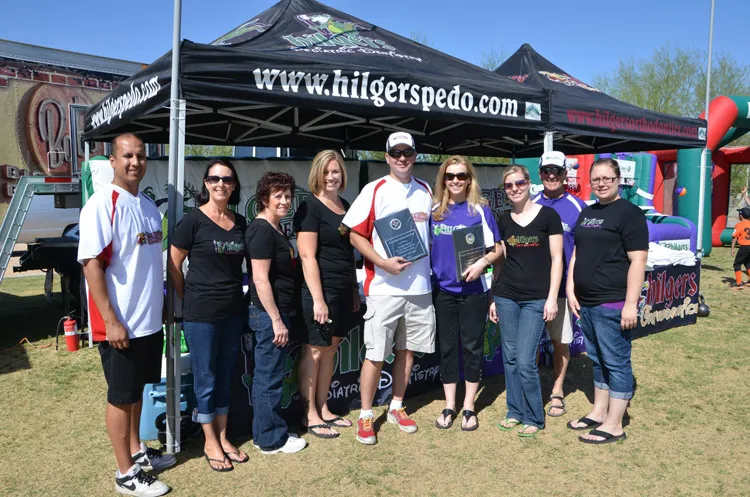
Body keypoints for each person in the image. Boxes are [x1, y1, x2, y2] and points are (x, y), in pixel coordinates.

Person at [78, 132, 174, 496]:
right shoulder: (103, 204)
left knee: (136, 391)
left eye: (140, 156)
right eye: (127, 156)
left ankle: (136, 451)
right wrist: (111, 319)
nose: (135, 162)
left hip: (147, 321)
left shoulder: (148, 207)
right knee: (120, 395)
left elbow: (147, 265)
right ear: (113, 161)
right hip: (120, 324)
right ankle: (125, 474)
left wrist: (161, 303)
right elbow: (91, 265)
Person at [342, 131, 435, 445]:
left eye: (407, 152)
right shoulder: (375, 189)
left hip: (420, 288)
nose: (402, 158)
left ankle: (396, 406)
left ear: (415, 155)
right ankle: (366, 414)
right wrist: (382, 263)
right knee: (376, 354)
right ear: (387, 157)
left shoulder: (425, 190)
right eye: (396, 153)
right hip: (384, 287)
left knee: (406, 353)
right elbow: (354, 234)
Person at [167, 160, 248, 471]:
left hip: (232, 312)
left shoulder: (240, 222)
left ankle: (224, 437)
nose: (220, 184)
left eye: (227, 179)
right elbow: (173, 266)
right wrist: (188, 299)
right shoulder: (192, 222)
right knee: (206, 379)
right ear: (205, 183)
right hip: (200, 314)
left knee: (226, 376)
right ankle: (209, 440)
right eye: (214, 178)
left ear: (234, 185)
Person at [567, 158, 648, 444]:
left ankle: (615, 424)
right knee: (598, 360)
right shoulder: (587, 212)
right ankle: (600, 412)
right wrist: (570, 285)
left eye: (607, 179)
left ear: (618, 181)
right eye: (597, 179)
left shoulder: (630, 213)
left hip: (612, 302)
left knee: (616, 361)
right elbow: (577, 252)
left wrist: (630, 303)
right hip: (586, 302)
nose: (601, 184)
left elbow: (638, 261)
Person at [489, 165, 563, 438]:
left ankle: (534, 416)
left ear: (529, 183)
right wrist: (493, 298)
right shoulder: (503, 219)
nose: (515, 189)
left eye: (519, 183)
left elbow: (558, 260)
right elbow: (500, 262)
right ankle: (514, 412)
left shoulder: (549, 216)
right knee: (509, 357)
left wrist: (552, 298)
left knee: (524, 360)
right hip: (506, 296)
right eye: (509, 186)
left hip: (536, 299)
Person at [430, 156, 502, 431]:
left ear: (469, 179)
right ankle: (449, 405)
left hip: (474, 292)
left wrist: (482, 263)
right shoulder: (435, 210)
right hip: (444, 292)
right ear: (444, 179)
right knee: (447, 349)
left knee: (472, 349)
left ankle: (469, 406)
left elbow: (497, 249)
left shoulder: (479, 210)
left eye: (461, 175)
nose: (456, 181)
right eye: (450, 176)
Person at [294, 150, 359, 439]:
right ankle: (309, 414)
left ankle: (324, 407)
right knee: (316, 350)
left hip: (344, 290)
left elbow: (349, 251)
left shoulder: (345, 205)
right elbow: (307, 257)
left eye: (336, 171)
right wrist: (318, 299)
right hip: (320, 291)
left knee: (331, 349)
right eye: (327, 172)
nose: (332, 177)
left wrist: (353, 290)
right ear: (317, 175)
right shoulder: (309, 207)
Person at [246, 172, 307, 454]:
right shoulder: (261, 230)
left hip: (279, 312)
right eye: (278, 196)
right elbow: (260, 279)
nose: (284, 201)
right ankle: (270, 439)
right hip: (269, 314)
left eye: (287, 196)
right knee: (268, 377)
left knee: (269, 375)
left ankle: (265, 433)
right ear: (264, 198)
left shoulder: (277, 228)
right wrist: (275, 319)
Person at [531, 151, 587, 418]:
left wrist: (573, 286)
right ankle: (528, 390)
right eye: (546, 171)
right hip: (530, 288)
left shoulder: (578, 207)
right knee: (526, 343)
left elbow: (585, 250)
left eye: (557, 171)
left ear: (566, 174)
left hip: (563, 289)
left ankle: (556, 390)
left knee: (560, 342)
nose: (551, 176)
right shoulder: (528, 203)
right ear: (540, 174)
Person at [730, 206, 750, 287]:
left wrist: (732, 248)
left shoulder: (739, 225)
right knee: (747, 263)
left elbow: (734, 237)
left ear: (741, 215)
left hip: (744, 247)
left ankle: (738, 283)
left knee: (737, 264)